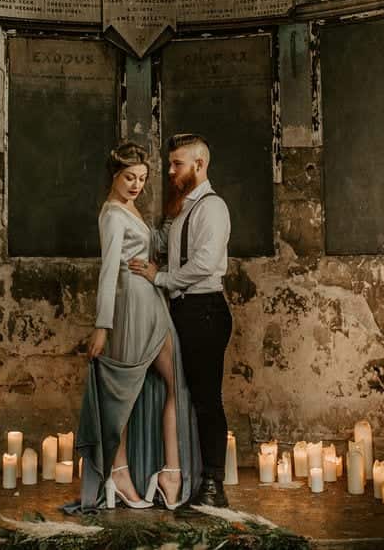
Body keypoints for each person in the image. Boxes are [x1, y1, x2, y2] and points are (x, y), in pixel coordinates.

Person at [66, 142, 202, 513]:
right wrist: (101, 326)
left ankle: (169, 472)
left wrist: (176, 211)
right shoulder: (111, 215)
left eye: (142, 178)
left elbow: (151, 244)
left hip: (151, 303)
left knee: (174, 380)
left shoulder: (130, 208)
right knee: (124, 394)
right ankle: (120, 472)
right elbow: (109, 272)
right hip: (131, 308)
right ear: (113, 175)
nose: (136, 185)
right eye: (129, 177)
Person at [129, 133, 232, 507]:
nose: (171, 171)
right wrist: (127, 211)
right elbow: (161, 242)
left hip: (205, 310)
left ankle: (213, 487)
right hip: (184, 311)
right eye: (171, 164)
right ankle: (186, 479)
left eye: (178, 164)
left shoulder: (213, 208)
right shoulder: (183, 208)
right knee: (184, 395)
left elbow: (203, 264)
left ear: (199, 165)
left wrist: (161, 279)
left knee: (207, 399)